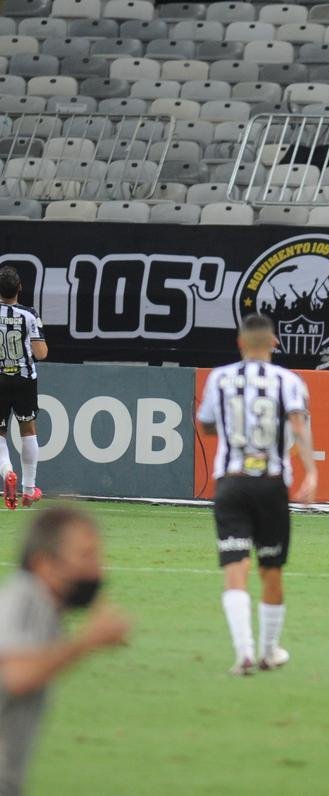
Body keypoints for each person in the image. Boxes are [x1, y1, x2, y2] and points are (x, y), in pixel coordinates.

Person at [196, 314, 318, 676]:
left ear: (239, 343)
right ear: (274, 342)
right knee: (271, 570)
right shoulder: (289, 381)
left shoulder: (219, 378)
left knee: (235, 567)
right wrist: (311, 472)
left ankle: (244, 652)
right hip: (271, 483)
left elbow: (204, 425)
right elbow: (299, 426)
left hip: (231, 482)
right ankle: (268, 651)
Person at [0, 506, 132, 795]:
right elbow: (16, 676)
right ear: (44, 564)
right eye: (86, 556)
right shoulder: (25, 598)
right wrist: (87, 642)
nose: (98, 569)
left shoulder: (45, 610)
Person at [0, 267, 47, 511]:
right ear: (20, 287)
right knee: (28, 430)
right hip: (24, 378)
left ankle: (8, 472)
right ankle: (29, 491)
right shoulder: (29, 314)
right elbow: (41, 353)